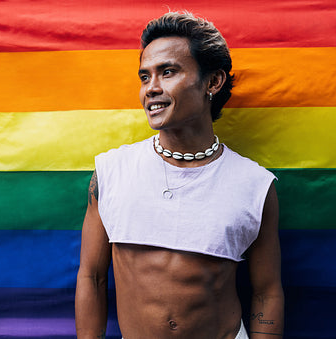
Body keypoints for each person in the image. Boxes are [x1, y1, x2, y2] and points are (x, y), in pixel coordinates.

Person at [75, 12, 284, 339]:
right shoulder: (111, 172)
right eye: (145, 77)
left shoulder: (255, 185)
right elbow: (92, 277)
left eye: (167, 72)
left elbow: (267, 292)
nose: (151, 89)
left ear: (212, 82)